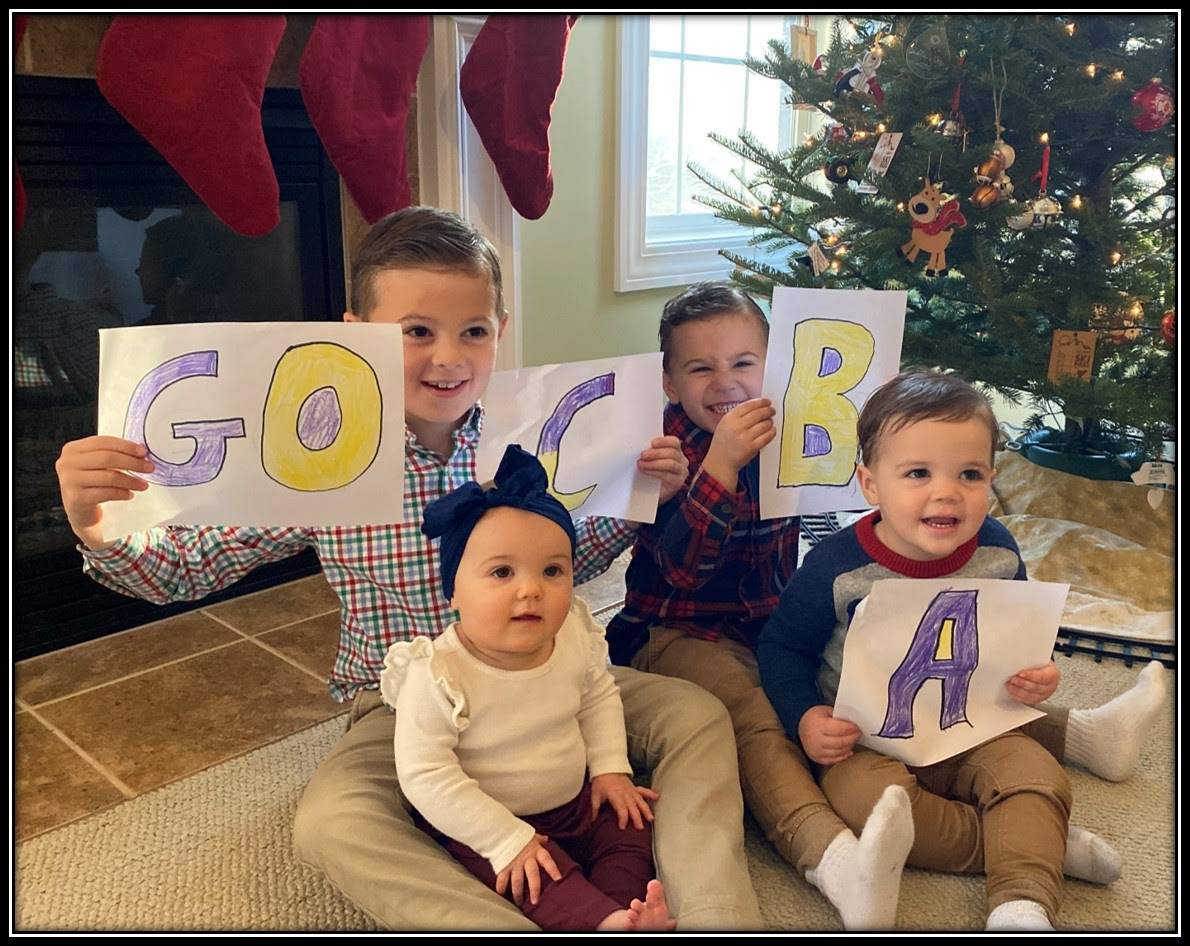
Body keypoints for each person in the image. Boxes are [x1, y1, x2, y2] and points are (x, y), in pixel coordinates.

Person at [53, 205, 761, 931]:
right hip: (401, 707)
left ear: (500, 332)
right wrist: (97, 525)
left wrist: (640, 500)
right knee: (330, 822)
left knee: (695, 715)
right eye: (416, 331)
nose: (448, 359)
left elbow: (565, 566)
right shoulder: (322, 455)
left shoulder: (531, 437)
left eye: (473, 332)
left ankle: (711, 913)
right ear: (355, 333)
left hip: (550, 677)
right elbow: (185, 570)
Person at [606, 285, 1165, 930]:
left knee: (906, 676)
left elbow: (986, 637)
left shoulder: (791, 426)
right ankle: (837, 858)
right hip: (679, 631)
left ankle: (1080, 736)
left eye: (744, 362)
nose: (726, 383)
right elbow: (676, 574)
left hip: (770, 612)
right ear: (669, 382)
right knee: (765, 721)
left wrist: (902, 434)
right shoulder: (660, 452)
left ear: (776, 362)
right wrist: (720, 467)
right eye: (700, 368)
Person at [755, 368, 1123, 931]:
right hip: (866, 742)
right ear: (871, 484)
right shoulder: (834, 567)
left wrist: (1039, 675)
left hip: (971, 725)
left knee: (1041, 777)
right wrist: (805, 716)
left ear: (991, 479)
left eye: (969, 473)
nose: (946, 491)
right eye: (918, 473)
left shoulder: (998, 550)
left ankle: (1021, 902)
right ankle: (1035, 848)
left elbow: (1020, 638)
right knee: (874, 814)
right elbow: (781, 648)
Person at [380, 443, 675, 931]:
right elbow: (426, 774)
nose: (530, 589)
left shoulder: (572, 636)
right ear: (453, 590)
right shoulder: (438, 674)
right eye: (501, 572)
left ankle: (623, 906)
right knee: (539, 880)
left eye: (553, 571)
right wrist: (503, 839)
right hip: (489, 823)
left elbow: (598, 696)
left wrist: (608, 769)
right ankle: (601, 920)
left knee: (630, 827)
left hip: (574, 802)